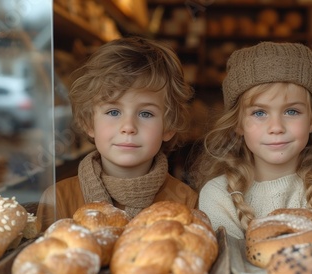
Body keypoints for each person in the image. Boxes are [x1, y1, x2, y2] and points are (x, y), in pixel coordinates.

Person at [192, 41, 312, 240]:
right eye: (259, 112)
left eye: (291, 111)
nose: (276, 127)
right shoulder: (217, 194)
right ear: (238, 124)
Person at [36, 36, 198, 231]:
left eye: (146, 113)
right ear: (89, 123)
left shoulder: (185, 201)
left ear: (169, 126)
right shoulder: (57, 200)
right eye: (113, 112)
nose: (128, 126)